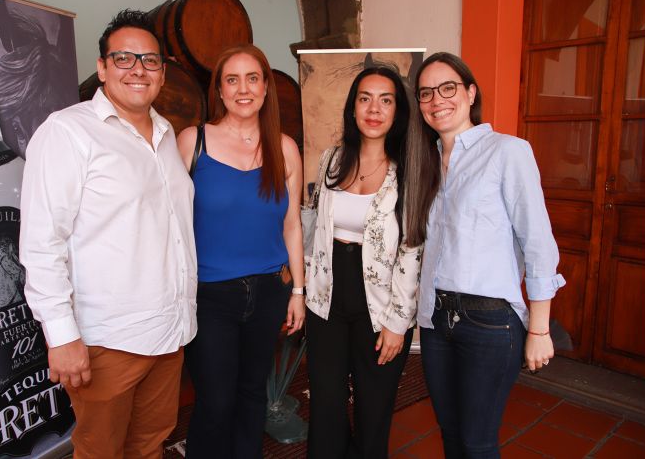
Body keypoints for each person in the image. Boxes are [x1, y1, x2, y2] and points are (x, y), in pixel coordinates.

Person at [19, 9, 196, 459]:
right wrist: (61, 336)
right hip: (107, 341)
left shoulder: (165, 131)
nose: (138, 69)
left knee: (149, 444)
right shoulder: (67, 132)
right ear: (101, 68)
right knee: (100, 451)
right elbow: (42, 244)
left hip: (169, 332)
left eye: (150, 60)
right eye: (124, 57)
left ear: (162, 72)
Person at [410, 51, 566, 458]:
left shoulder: (507, 151)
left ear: (470, 93)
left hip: (490, 322)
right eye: (426, 93)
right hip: (436, 318)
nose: (437, 100)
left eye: (448, 88)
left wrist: (539, 328)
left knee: (478, 442)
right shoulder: (425, 161)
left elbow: (539, 243)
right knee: (449, 433)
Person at [175, 44, 305, 459]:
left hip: (268, 292)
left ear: (266, 88)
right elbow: (171, 227)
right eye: (232, 79)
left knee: (252, 396)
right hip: (210, 295)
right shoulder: (192, 142)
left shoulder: (284, 148)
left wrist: (298, 291)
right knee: (215, 402)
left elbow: (292, 224)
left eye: (253, 78)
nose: (243, 88)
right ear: (220, 90)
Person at [304, 65, 426, 459]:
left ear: (397, 111)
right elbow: (313, 223)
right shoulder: (330, 160)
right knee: (326, 403)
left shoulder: (410, 169)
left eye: (385, 100)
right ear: (353, 108)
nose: (374, 109)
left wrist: (397, 322)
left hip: (381, 304)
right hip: (327, 299)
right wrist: (301, 283)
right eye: (365, 98)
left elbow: (412, 248)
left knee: (374, 408)